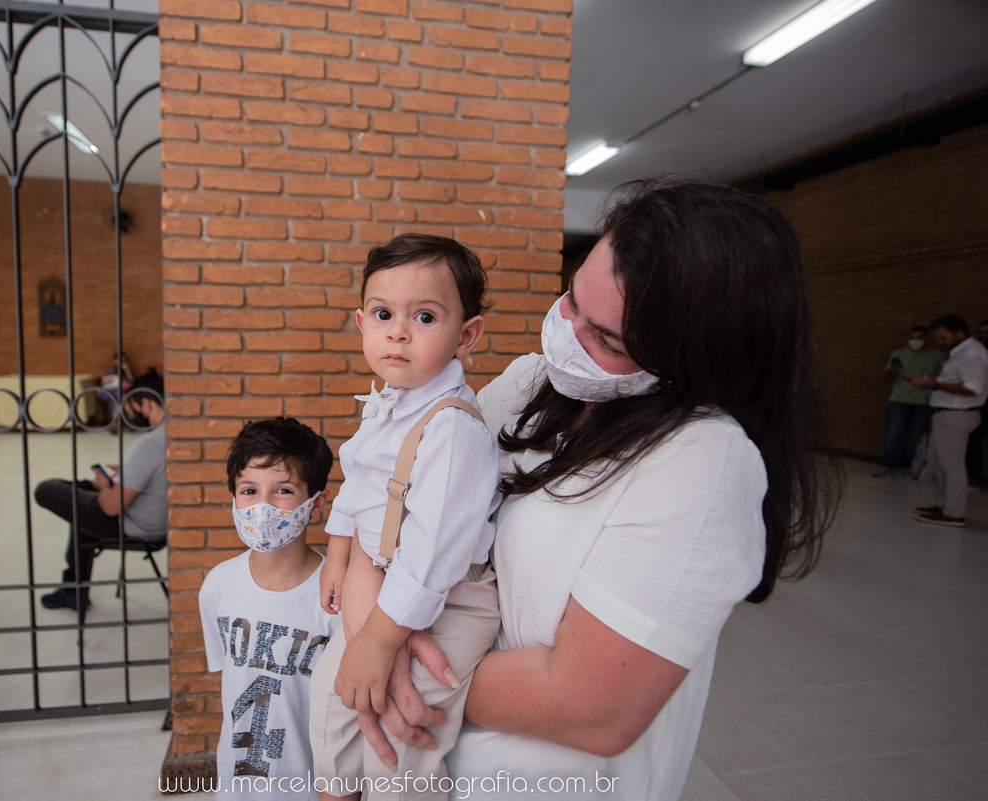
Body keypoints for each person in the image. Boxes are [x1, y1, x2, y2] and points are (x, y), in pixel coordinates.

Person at [358, 181, 842, 801]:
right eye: (571, 302)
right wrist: (370, 622)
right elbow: (402, 509)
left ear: (697, 357)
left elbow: (590, 706)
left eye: (609, 340)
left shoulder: (702, 462)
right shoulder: (528, 382)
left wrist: (389, 655)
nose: (568, 336)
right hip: (428, 752)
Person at [310, 234, 500, 801]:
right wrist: (338, 555)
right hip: (383, 588)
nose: (397, 331)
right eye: (383, 313)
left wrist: (378, 641)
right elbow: (357, 484)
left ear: (465, 336)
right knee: (329, 699)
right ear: (362, 321)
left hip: (449, 597)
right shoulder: (388, 403)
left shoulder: (453, 428)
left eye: (424, 316)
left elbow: (436, 550)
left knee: (401, 740)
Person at [199, 418, 338, 798]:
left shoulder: (337, 595)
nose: (262, 506)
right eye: (249, 490)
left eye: (283, 490)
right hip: (237, 786)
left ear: (316, 505)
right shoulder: (218, 586)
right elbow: (231, 683)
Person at [36, 368, 168, 610]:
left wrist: (106, 487)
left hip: (133, 525)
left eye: (133, 409)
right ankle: (73, 590)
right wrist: (130, 473)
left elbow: (109, 508)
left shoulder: (149, 444)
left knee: (47, 489)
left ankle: (73, 591)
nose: (133, 415)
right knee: (80, 513)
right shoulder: (179, 437)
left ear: (146, 403)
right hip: (158, 522)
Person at [911, 314, 988, 527]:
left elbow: (974, 388)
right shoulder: (959, 353)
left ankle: (954, 513)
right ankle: (945, 505)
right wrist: (935, 383)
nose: (940, 342)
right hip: (946, 414)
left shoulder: (972, 354)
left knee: (951, 465)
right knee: (936, 460)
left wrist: (934, 385)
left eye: (943, 337)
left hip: (957, 414)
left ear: (959, 333)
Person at [873, 325, 943, 477]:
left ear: (926, 339)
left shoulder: (936, 355)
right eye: (912, 338)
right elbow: (887, 379)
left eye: (919, 338)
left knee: (913, 435)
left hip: (922, 402)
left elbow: (943, 377)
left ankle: (904, 465)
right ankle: (886, 464)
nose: (915, 341)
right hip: (899, 400)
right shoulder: (898, 354)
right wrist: (893, 369)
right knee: (893, 433)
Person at [966, 319, 988, 488]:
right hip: (978, 404)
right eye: (981, 332)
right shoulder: (976, 353)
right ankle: (972, 476)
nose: (983, 335)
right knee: (974, 439)